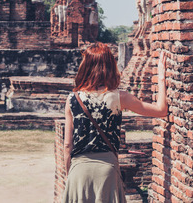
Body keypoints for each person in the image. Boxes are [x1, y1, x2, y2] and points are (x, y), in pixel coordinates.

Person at [62, 42, 167, 203]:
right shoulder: (119, 97)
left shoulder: (72, 99)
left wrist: (71, 173)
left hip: (79, 170)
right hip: (107, 169)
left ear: (85, 67)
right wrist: (161, 77)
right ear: (110, 66)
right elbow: (161, 110)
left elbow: (67, 145)